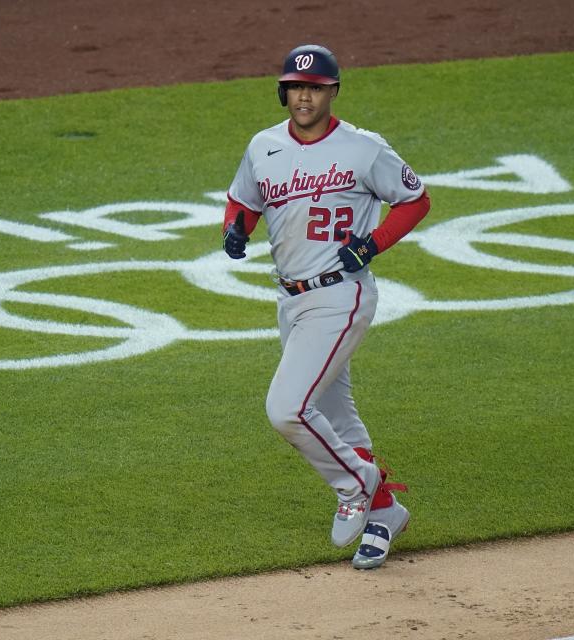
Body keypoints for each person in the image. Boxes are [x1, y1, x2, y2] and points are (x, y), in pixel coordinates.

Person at [222, 44, 430, 569]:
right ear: (283, 91)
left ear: (332, 91)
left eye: (314, 88)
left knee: (287, 410)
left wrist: (373, 242)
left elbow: (415, 199)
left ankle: (357, 485)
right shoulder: (263, 145)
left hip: (340, 294)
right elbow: (245, 199)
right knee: (335, 414)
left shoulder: (363, 148)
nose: (304, 96)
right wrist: (235, 227)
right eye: (296, 87)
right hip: (289, 299)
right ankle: (385, 514)